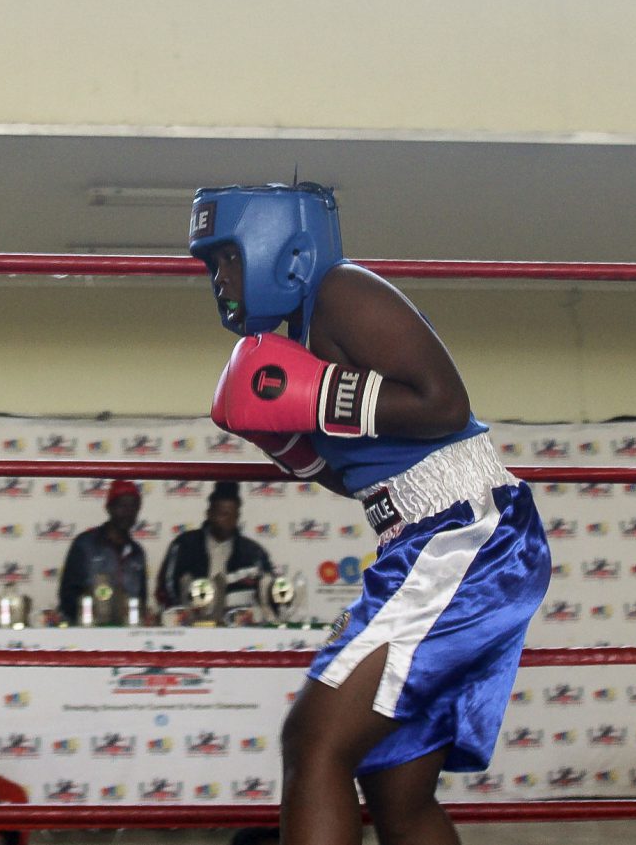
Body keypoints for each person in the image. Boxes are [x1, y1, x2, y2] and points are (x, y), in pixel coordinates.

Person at [191, 183, 551, 845]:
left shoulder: (342, 292)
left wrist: (314, 392)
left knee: (314, 741)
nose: (216, 277)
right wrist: (286, 442)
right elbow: (361, 476)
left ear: (282, 249)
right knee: (396, 788)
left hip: (466, 536)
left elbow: (443, 404)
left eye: (226, 257)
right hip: (426, 539)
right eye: (207, 264)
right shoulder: (290, 339)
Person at [153, 480, 274, 615]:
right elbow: (166, 587)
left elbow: (268, 592)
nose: (227, 520)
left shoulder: (253, 553)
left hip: (238, 625)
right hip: (190, 624)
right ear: (209, 513)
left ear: (238, 516)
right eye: (222, 514)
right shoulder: (184, 545)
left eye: (232, 515)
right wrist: (179, 614)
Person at [55, 479, 148, 625]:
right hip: (88, 632)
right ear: (109, 508)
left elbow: (141, 599)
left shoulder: (137, 553)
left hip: (128, 634)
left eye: (133, 507)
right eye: (122, 506)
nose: (128, 513)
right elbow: (68, 594)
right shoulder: (85, 545)